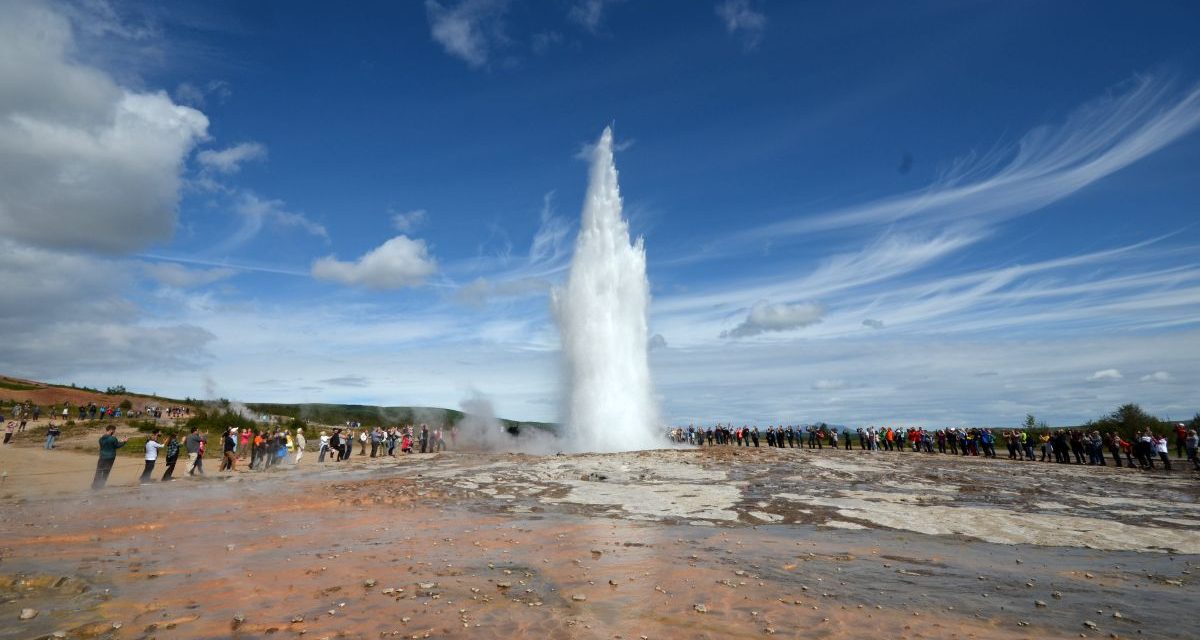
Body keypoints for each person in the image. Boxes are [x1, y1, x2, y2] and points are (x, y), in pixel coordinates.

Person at [92, 425, 127, 490]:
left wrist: (118, 440)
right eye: (114, 430)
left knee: (99, 471)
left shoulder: (101, 438)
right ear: (111, 430)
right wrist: (124, 441)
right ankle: (101, 485)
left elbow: (108, 444)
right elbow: (117, 446)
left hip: (102, 456)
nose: (114, 432)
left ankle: (95, 486)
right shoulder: (113, 438)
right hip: (110, 457)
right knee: (106, 471)